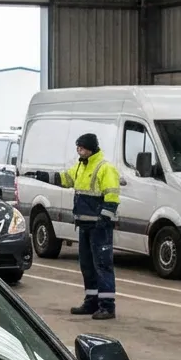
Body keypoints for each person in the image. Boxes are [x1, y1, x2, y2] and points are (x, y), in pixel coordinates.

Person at [55, 133, 121, 320]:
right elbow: (65, 179)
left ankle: (107, 306)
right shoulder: (81, 166)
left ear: (90, 148)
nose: (78, 150)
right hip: (84, 225)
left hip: (99, 227)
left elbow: (112, 197)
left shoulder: (104, 168)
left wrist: (103, 220)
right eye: (78, 147)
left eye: (81, 147)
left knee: (102, 265)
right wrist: (40, 176)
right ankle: (91, 301)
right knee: (87, 265)